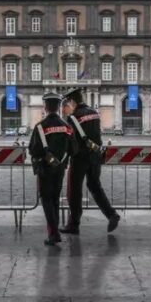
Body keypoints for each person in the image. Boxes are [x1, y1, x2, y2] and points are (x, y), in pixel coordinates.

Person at [60, 88, 120, 235]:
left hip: (80, 158)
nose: (68, 105)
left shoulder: (73, 117)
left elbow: (71, 141)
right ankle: (112, 214)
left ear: (73, 101)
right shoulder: (94, 113)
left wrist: (66, 158)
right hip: (96, 156)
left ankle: (74, 224)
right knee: (95, 186)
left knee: (74, 191)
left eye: (69, 103)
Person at [28, 92, 76, 246]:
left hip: (45, 169)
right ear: (59, 107)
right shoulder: (66, 127)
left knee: (46, 199)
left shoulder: (40, 127)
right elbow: (74, 149)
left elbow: (33, 150)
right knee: (55, 198)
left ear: (45, 107)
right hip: (60, 168)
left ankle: (53, 234)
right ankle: (55, 232)